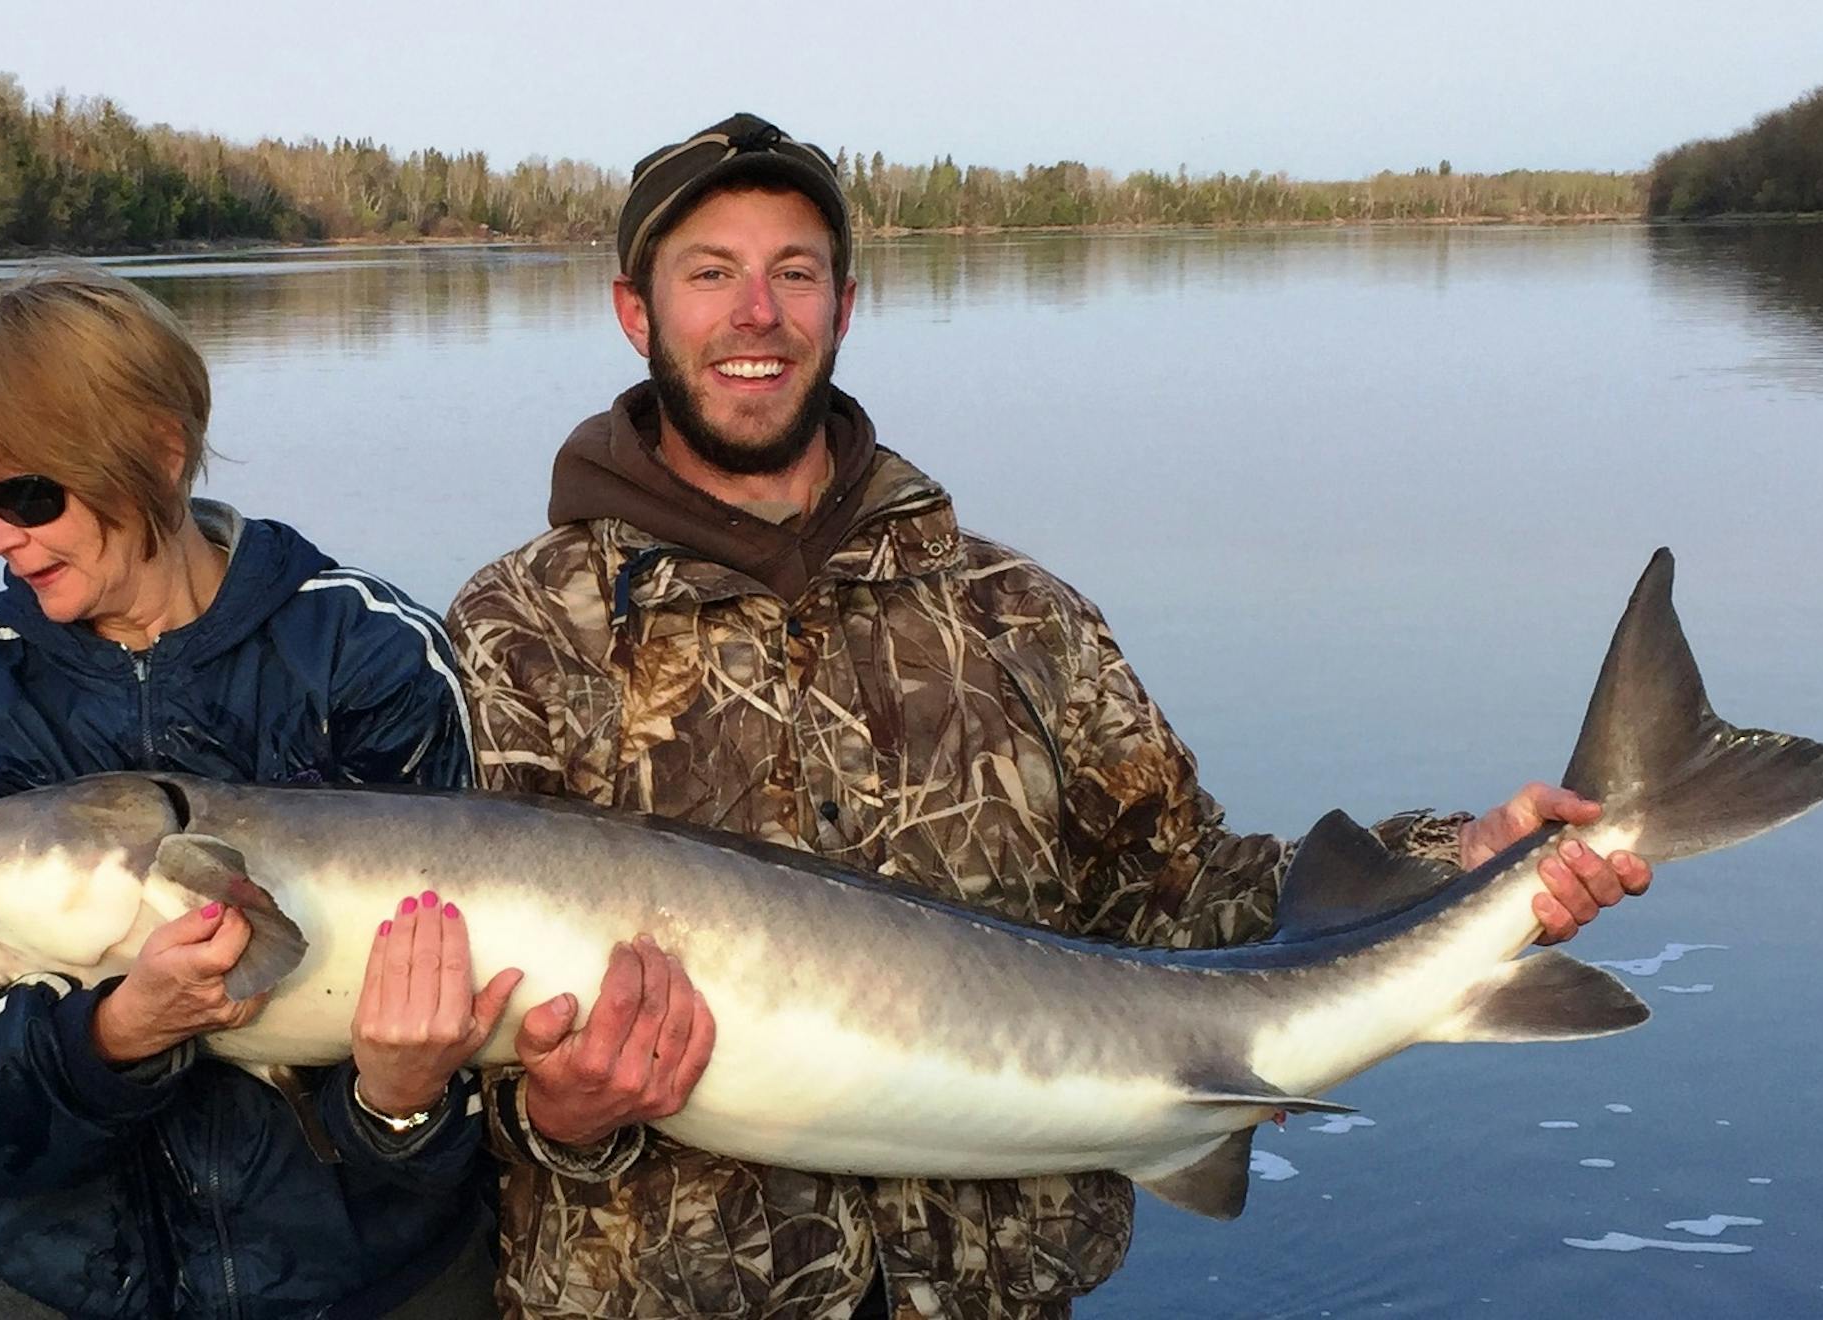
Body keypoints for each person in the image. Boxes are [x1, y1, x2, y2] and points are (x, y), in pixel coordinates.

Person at [444, 114, 1654, 1319]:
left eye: (792, 272)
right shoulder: (526, 627)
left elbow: (1182, 894)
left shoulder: (1014, 609)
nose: (755, 311)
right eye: (710, 273)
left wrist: (1463, 866)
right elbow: (427, 1062)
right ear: (635, 312)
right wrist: (560, 1111)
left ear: (843, 307)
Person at [0, 263, 517, 1319]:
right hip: (57, 1293)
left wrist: (397, 1107)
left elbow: (471, 1064)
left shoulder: (368, 656)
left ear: (159, 449)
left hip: (375, 1286)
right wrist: (107, 1042)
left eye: (28, 496)